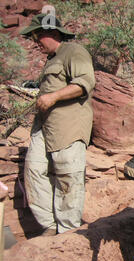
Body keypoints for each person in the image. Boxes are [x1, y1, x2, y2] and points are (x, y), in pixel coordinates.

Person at [19, 14, 95, 236]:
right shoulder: (51, 59)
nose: (35, 41)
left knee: (68, 176)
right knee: (33, 169)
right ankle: (50, 225)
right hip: (45, 126)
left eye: (36, 35)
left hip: (68, 126)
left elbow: (85, 82)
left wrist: (53, 97)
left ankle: (67, 231)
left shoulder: (73, 51)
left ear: (50, 33)